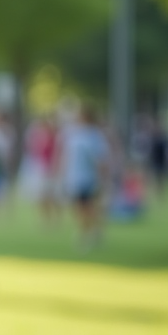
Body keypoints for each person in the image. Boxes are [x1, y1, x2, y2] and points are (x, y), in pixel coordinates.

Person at [60, 105, 112, 251]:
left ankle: (87, 232)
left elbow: (101, 158)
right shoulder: (74, 135)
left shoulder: (94, 136)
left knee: (87, 205)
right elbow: (67, 156)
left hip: (89, 177)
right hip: (75, 176)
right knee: (79, 206)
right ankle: (90, 230)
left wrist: (103, 176)